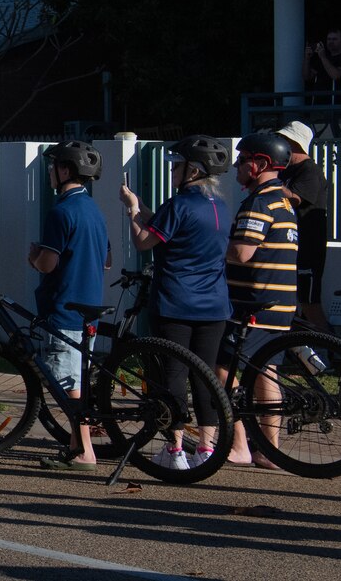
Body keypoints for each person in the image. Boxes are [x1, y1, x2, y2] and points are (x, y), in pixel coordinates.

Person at [118, 134, 232, 470]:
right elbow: (169, 226)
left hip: (175, 302)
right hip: (214, 305)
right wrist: (142, 209)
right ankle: (207, 447)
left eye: (177, 167)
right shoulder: (220, 208)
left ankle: (175, 447)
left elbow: (144, 242)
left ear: (193, 170)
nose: (172, 172)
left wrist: (132, 210)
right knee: (205, 375)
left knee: (173, 373)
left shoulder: (179, 204)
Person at [28, 140, 108, 470]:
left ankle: (84, 450)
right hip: (90, 302)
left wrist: (34, 257)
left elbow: (48, 263)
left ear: (65, 170)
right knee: (77, 377)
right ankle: (78, 444)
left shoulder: (61, 211)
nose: (49, 172)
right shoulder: (93, 209)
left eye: (53, 166)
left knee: (68, 386)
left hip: (63, 306)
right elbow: (105, 260)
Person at [222, 130, 299, 469]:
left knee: (222, 368)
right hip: (280, 302)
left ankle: (239, 445)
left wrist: (210, 252)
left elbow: (241, 252)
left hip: (253, 303)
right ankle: (269, 449)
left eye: (242, 161)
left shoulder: (259, 202)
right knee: (266, 371)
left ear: (259, 164)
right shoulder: (283, 201)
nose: (237, 167)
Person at [273, 120, 331, 331]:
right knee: (291, 303)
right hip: (289, 247)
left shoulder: (310, 171)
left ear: (295, 143)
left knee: (309, 303)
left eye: (284, 140)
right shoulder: (285, 171)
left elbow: (296, 198)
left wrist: (269, 181)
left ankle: (331, 353)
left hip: (308, 248)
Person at [304, 26, 341, 94]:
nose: (331, 42)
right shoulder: (323, 57)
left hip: (337, 102)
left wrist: (323, 57)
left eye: (334, 39)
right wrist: (307, 59)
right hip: (319, 102)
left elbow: (336, 76)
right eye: (329, 39)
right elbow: (306, 77)